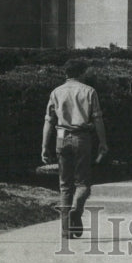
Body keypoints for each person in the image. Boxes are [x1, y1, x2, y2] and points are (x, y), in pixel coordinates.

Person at [41, 59, 108, 238]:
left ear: (66, 73)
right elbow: (97, 119)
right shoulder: (89, 91)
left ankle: (65, 230)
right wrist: (103, 142)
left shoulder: (56, 92)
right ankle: (76, 210)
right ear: (81, 73)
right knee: (83, 183)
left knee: (65, 186)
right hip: (81, 137)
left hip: (61, 137)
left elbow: (49, 121)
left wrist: (44, 146)